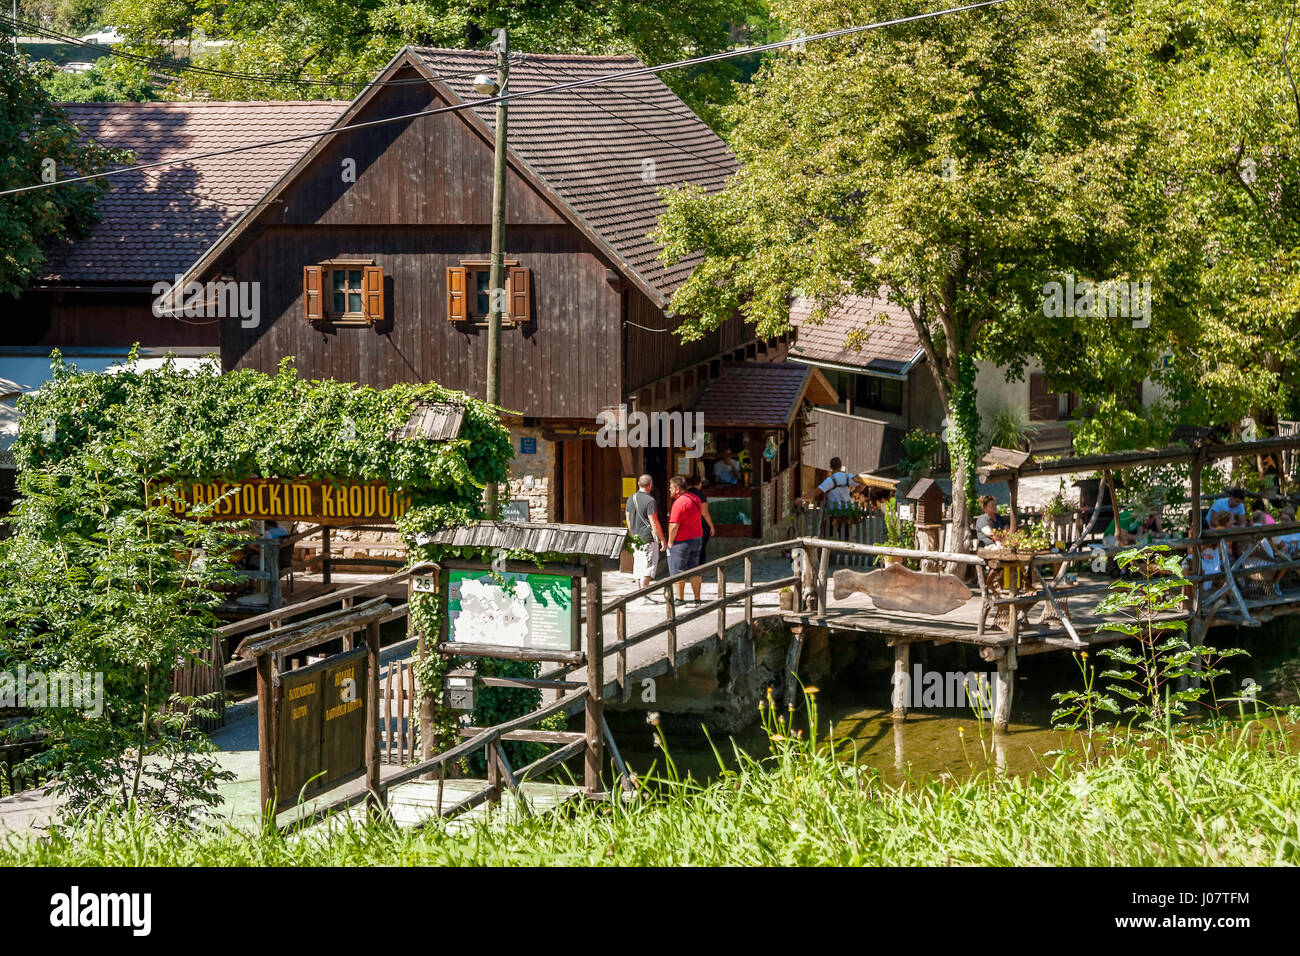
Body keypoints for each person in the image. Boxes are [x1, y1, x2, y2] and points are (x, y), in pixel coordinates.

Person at [666, 475, 704, 604]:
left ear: (677, 489)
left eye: (671, 488)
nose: (669, 490)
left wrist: (670, 542)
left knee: (678, 570)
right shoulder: (695, 498)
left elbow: (674, 525)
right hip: (696, 539)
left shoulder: (679, 503)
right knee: (695, 569)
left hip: (681, 541)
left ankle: (680, 598)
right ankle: (697, 599)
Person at [625, 474, 665, 591]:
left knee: (638, 566)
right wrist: (662, 539)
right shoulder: (650, 500)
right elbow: (654, 522)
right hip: (648, 538)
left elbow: (628, 519)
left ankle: (638, 592)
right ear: (650, 485)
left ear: (638, 484)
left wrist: (632, 534)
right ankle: (644, 594)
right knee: (647, 567)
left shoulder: (630, 498)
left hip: (636, 538)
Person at [684, 474, 716, 562]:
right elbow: (705, 513)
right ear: (700, 483)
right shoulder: (700, 495)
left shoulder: (685, 494)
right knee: (701, 548)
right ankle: (700, 568)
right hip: (700, 525)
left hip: (688, 524)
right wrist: (711, 526)